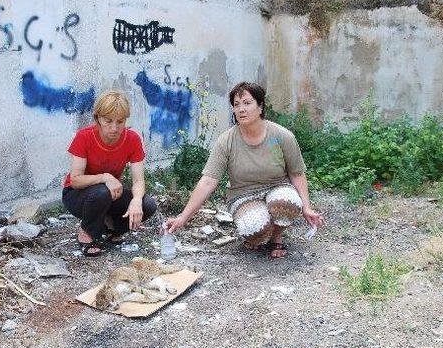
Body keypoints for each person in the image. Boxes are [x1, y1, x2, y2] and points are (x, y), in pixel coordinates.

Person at [166, 82, 324, 258]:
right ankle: (258, 234)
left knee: (287, 202)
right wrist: (183, 217)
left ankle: (276, 236)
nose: (241, 109)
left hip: (277, 187)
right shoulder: (226, 141)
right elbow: (208, 181)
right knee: (254, 228)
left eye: (247, 103)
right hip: (243, 195)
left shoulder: (281, 136)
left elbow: (297, 173)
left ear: (260, 106)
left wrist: (307, 208)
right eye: (236, 104)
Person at [62, 91, 157, 256]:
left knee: (147, 204)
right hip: (77, 195)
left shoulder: (132, 139)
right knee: (101, 191)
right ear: (98, 118)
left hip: (109, 194)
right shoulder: (84, 137)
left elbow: (138, 181)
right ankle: (87, 233)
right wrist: (105, 177)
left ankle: (111, 227)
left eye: (120, 122)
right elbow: (75, 180)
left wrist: (136, 201)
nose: (114, 128)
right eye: (108, 121)